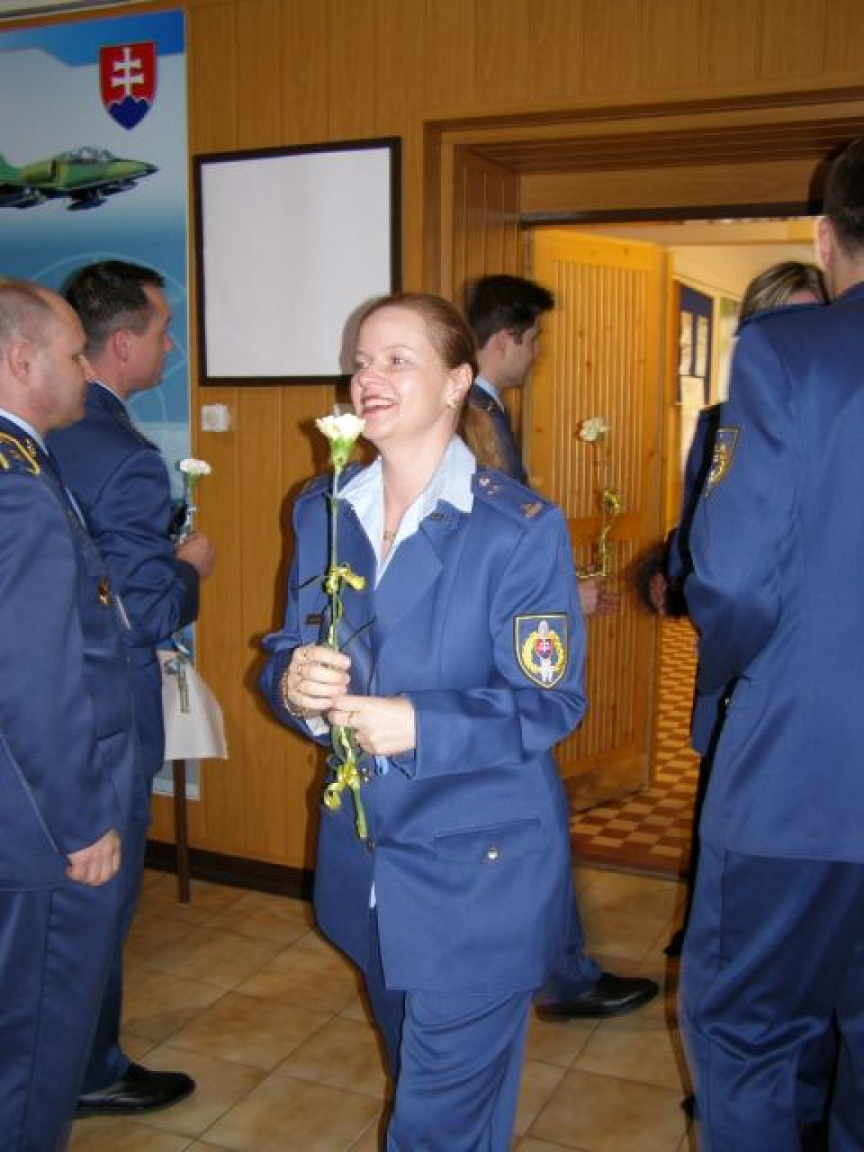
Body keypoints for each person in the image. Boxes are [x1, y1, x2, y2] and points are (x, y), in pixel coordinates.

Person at [260, 292, 586, 1151]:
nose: (369, 377)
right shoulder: (324, 507)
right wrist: (293, 683)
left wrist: (421, 723)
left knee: (434, 1127)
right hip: (366, 869)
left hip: (477, 878)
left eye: (398, 360)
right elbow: (291, 645)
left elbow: (551, 700)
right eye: (362, 362)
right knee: (434, 1093)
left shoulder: (517, 528)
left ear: (457, 383)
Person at [679, 138, 864, 1151]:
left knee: (748, 1034)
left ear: (826, 237)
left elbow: (735, 576)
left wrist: (730, 686)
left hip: (802, 769)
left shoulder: (791, 352)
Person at [464, 272, 658, 1019]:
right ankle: (560, 978)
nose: (539, 353)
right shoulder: (474, 418)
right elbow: (480, 551)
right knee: (538, 819)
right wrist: (557, 599)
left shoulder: (485, 410)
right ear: (505, 338)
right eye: (535, 338)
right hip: (494, 667)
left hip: (493, 655)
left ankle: (548, 970)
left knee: (531, 823)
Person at [48, 261, 215, 1117]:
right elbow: (144, 613)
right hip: (102, 717)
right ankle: (89, 1069)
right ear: (121, 344)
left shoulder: (35, 434)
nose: (170, 346)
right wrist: (189, 570)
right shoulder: (124, 457)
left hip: (37, 715)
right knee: (99, 906)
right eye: (162, 329)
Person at [0, 279, 135, 1149]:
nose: (87, 368)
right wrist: (83, 822)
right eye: (75, 351)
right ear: (22, 361)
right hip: (41, 827)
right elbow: (32, 678)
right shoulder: (15, 489)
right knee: (35, 1051)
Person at [665, 258, 829, 957]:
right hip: (738, 648)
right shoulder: (719, 424)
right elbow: (698, 532)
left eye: (811, 317)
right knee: (722, 795)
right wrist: (674, 578)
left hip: (809, 660)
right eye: (782, 318)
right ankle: (711, 919)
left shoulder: (837, 416)